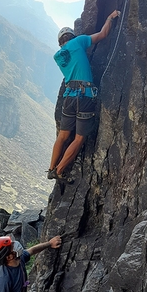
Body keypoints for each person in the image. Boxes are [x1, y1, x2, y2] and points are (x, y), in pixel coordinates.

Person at [47, 10, 121, 184]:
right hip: (84, 96)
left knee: (63, 136)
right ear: (71, 37)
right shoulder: (78, 42)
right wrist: (110, 17)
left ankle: (51, 168)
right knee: (79, 138)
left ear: (60, 42)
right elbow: (103, 34)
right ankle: (59, 171)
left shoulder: (58, 57)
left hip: (69, 97)